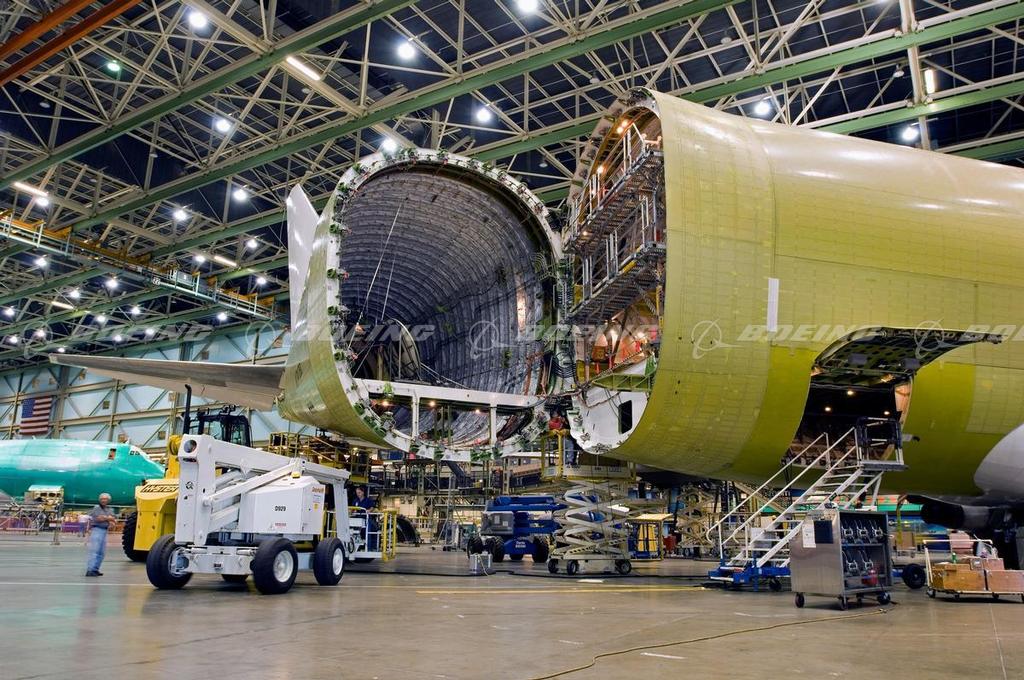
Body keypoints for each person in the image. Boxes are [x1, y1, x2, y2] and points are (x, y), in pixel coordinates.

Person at [85, 493, 116, 577]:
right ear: (99, 500)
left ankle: (95, 569)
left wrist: (107, 518)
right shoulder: (96, 508)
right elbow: (99, 518)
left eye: (105, 499)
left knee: (101, 552)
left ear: (108, 500)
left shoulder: (109, 509)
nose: (103, 500)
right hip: (97, 530)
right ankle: (90, 570)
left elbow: (113, 519)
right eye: (102, 499)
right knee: (95, 551)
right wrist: (109, 518)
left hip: (105, 531)